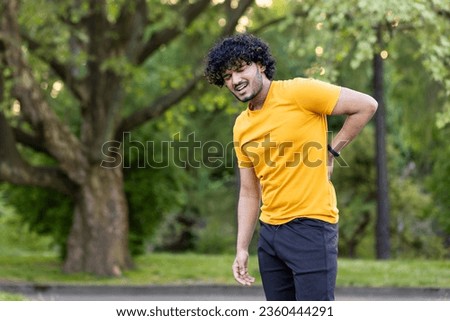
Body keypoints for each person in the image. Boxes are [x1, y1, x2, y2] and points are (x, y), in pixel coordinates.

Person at [204, 33, 378, 301]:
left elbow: (366, 106)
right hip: (270, 235)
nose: (235, 81)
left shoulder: (299, 92)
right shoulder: (241, 126)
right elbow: (250, 192)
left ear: (260, 64)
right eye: (227, 76)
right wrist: (241, 248)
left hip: (311, 227)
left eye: (240, 69)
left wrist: (332, 152)